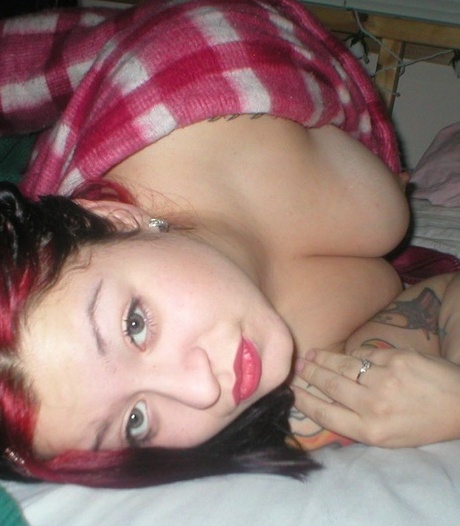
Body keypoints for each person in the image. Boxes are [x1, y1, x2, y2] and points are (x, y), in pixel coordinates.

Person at [0, 0, 459, 488]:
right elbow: (437, 305)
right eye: (135, 421)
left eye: (135, 324)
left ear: (115, 218)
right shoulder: (275, 388)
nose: (201, 389)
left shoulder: (207, 85)